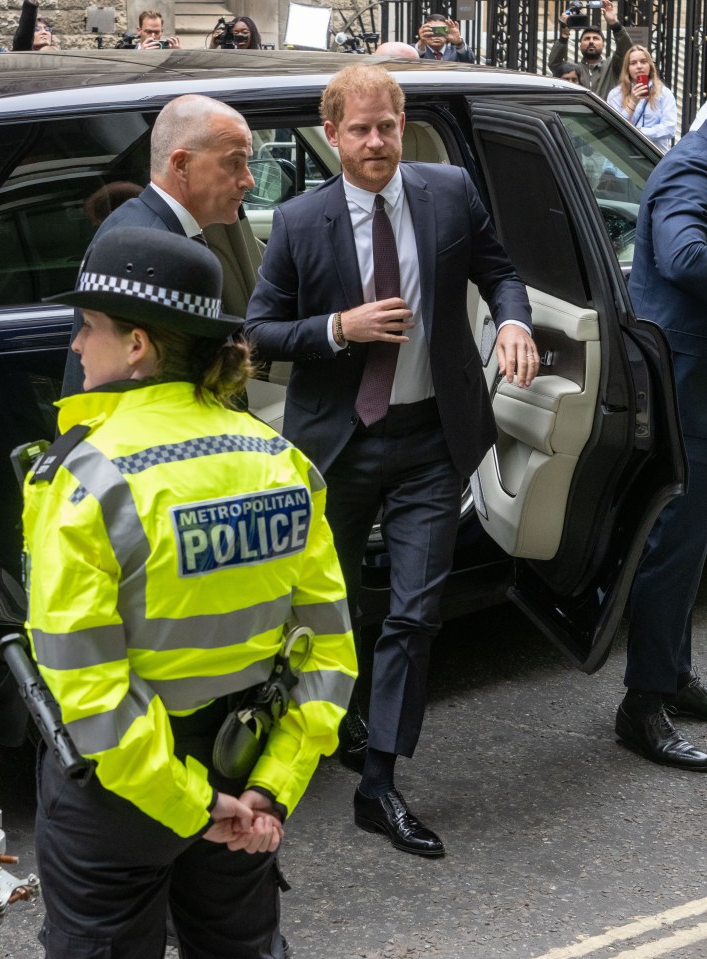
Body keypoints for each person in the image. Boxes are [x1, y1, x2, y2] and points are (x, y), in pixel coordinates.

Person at [27, 226, 356, 956]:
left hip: (121, 795)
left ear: (137, 345)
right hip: (245, 762)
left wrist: (191, 803)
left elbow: (89, 688)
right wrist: (267, 790)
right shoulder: (282, 462)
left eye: (89, 327)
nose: (78, 346)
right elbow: (329, 654)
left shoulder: (85, 478)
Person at [244, 64, 535, 857]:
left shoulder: (447, 193)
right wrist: (338, 327)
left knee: (414, 609)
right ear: (331, 134)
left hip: (430, 442)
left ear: (402, 125)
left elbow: (499, 273)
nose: (376, 142)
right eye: (360, 129)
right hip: (335, 445)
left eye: (388, 126)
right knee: (322, 613)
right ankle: (309, 740)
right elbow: (258, 331)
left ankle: (379, 782)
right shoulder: (301, 221)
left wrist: (514, 324)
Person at [615, 123, 707, 771]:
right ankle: (641, 702)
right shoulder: (688, 169)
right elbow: (682, 257)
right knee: (671, 537)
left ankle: (672, 673)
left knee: (690, 534)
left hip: (694, 379)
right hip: (681, 383)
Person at [61, 94, 255, 397]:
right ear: (181, 164)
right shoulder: (147, 252)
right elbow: (125, 383)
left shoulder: (146, 228)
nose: (248, 180)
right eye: (234, 162)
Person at [548, 0, 631, 97]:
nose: (591, 41)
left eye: (595, 39)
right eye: (587, 39)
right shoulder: (574, 69)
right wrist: (564, 34)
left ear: (603, 45)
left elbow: (626, 50)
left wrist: (615, 24)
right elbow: (554, 64)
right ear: (580, 45)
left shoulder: (612, 66)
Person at [606, 45, 677, 152]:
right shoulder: (615, 94)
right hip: (625, 156)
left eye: (643, 62)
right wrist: (633, 102)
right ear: (627, 68)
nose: (639, 66)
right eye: (633, 63)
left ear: (650, 66)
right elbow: (615, 128)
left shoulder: (664, 93)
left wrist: (639, 132)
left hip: (654, 155)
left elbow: (669, 128)